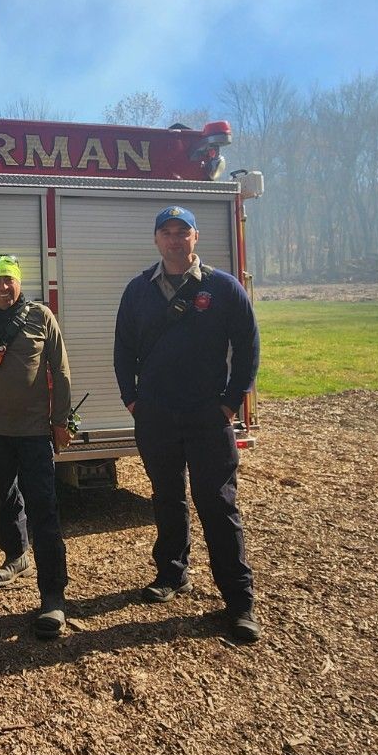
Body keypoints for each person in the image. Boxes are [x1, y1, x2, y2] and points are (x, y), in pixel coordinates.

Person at [113, 206, 262, 643]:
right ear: (157, 240)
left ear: (196, 238)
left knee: (217, 504)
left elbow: (248, 347)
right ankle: (172, 574)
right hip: (155, 415)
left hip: (206, 416)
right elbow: (123, 350)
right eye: (167, 232)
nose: (175, 240)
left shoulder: (222, 288)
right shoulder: (137, 291)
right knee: (166, 498)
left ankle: (239, 603)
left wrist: (231, 402)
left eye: (184, 232)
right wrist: (133, 400)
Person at [0, 255, 74, 639]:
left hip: (36, 431)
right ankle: (16, 556)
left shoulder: (41, 316)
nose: (3, 288)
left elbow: (60, 369)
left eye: (9, 280)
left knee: (44, 506)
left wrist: (60, 421)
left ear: (19, 282)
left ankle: (53, 595)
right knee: (4, 496)